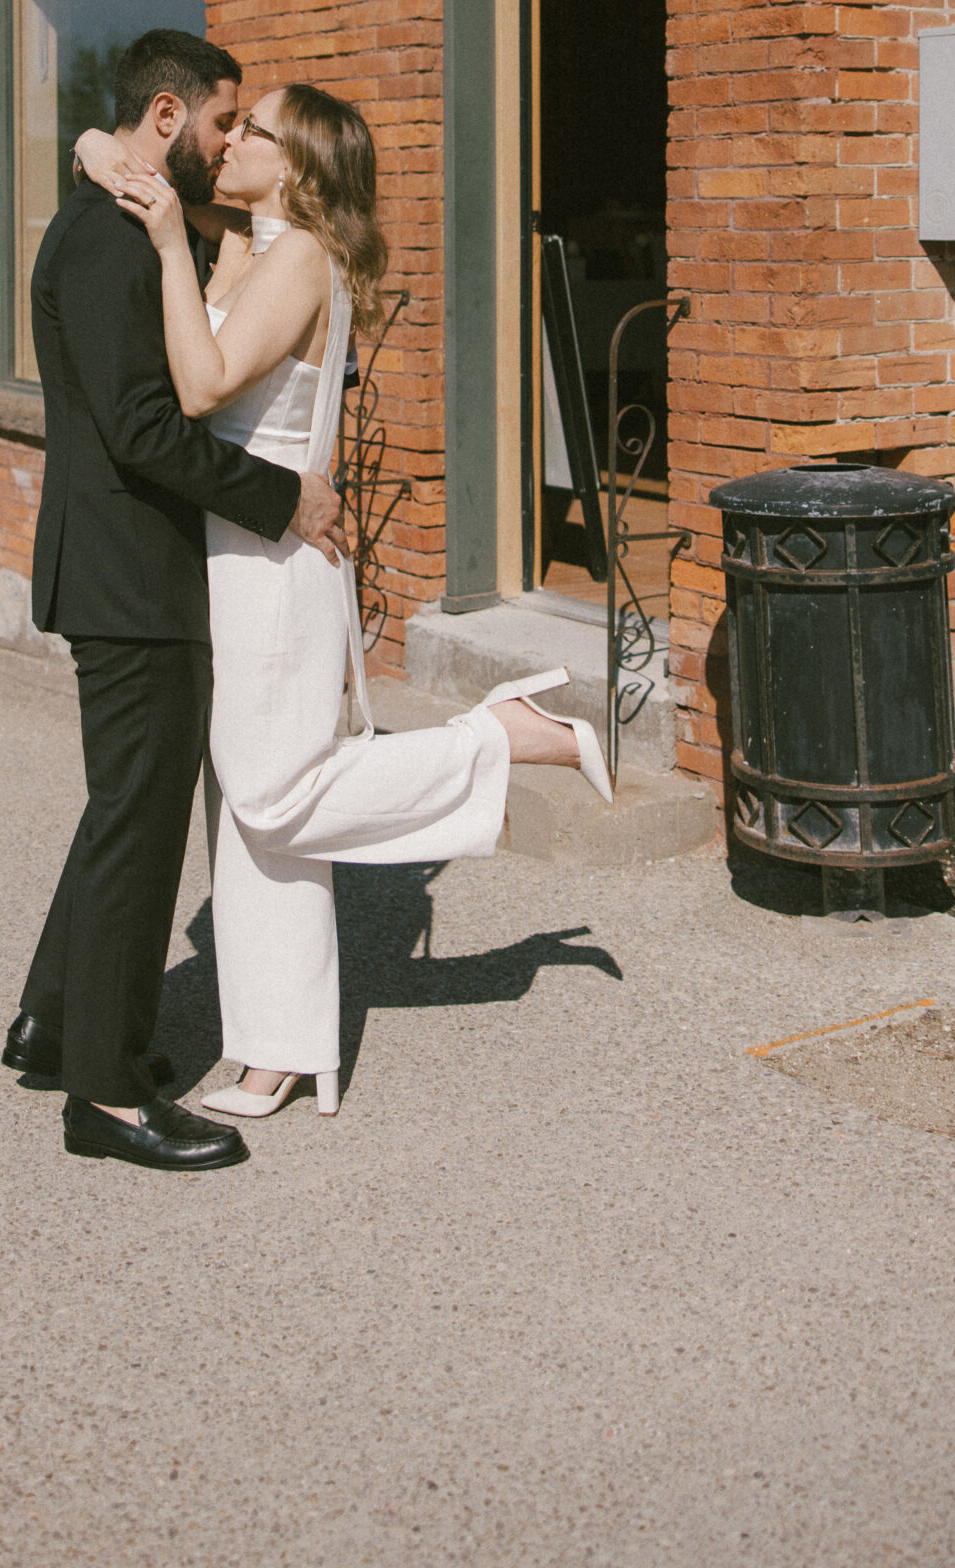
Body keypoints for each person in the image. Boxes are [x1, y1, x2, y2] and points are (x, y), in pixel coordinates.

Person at [80, 81, 612, 1119]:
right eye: (228, 125)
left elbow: (199, 385)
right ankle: (278, 1048)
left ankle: (496, 737)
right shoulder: (250, 239)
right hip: (231, 554)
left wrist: (161, 251)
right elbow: (95, 142)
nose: (228, 139)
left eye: (252, 129)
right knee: (249, 813)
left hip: (272, 566)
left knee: (275, 792)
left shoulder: (299, 257)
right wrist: (111, 153)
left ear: (299, 166)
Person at [6, 31, 348, 1173]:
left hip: (118, 566)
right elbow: (149, 431)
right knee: (139, 829)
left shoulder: (118, 212)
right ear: (168, 115)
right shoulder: (112, 242)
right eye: (219, 119)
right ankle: (103, 1096)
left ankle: (57, 1022)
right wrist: (281, 500)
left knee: (122, 807)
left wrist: (99, 150)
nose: (226, 138)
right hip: (131, 574)